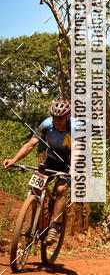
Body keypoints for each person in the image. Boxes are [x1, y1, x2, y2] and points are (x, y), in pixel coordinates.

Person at [3, 100, 72, 243]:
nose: (56, 121)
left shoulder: (75, 128)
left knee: (60, 189)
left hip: (69, 163)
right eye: (54, 118)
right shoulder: (46, 124)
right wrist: (14, 159)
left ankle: (55, 226)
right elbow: (30, 145)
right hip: (50, 161)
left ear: (67, 117)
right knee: (35, 188)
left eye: (60, 119)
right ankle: (33, 224)